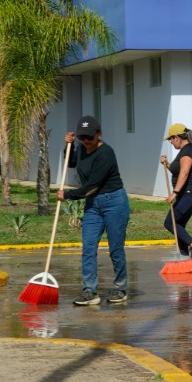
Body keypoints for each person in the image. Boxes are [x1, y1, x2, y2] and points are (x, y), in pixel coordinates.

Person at [58, 115, 130, 306]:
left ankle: (121, 288)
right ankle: (90, 291)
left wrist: (67, 195)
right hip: (93, 205)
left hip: (114, 201)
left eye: (89, 136)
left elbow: (92, 187)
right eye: (82, 137)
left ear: (99, 134)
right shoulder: (82, 147)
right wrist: (68, 146)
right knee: (88, 248)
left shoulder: (106, 153)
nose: (86, 140)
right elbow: (71, 163)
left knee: (115, 248)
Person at [159, 123, 192, 260]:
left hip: (191, 193)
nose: (170, 142)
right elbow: (178, 170)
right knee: (178, 225)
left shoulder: (188, 150)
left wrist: (174, 193)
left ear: (177, 137)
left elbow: (184, 172)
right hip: (189, 194)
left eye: (170, 139)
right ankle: (184, 257)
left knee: (170, 222)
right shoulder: (187, 150)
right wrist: (167, 164)